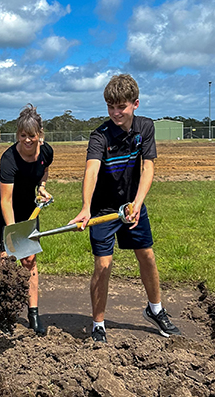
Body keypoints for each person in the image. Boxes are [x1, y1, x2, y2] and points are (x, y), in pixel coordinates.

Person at [69, 74, 180, 342]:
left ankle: (155, 310)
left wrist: (138, 203)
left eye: (121, 106)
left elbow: (148, 166)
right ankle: (98, 324)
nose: (116, 112)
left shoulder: (145, 128)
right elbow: (91, 170)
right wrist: (86, 207)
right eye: (110, 106)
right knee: (103, 265)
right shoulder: (100, 136)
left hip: (132, 205)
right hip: (104, 210)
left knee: (147, 256)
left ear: (135, 104)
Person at [0, 104, 53, 335]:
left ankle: (33, 315)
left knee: (29, 260)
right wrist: (13, 235)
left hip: (28, 210)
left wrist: (42, 187)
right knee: (5, 260)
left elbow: (44, 171)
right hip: (2, 210)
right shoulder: (9, 159)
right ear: (18, 135)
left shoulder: (46, 152)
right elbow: (6, 201)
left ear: (40, 135)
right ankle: (4, 315)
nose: (27, 140)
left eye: (31, 136)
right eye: (22, 135)